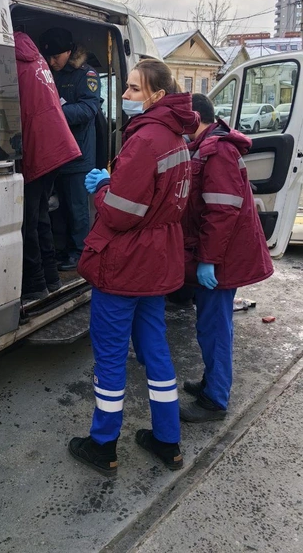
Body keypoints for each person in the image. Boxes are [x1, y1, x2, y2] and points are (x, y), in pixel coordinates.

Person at [68, 59, 199, 476]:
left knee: (110, 357)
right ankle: (167, 440)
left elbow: (122, 213)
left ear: (157, 96)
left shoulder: (146, 141)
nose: (124, 96)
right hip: (158, 260)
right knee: (156, 351)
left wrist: (103, 187)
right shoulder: (177, 137)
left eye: (133, 90)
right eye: (125, 88)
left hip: (126, 264)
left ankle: (103, 446)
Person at [180, 93, 274, 422]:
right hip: (221, 254)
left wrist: (207, 259)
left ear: (196, 117)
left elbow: (221, 212)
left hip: (222, 258)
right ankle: (211, 382)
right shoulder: (203, 147)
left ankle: (215, 400)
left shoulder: (216, 151)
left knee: (215, 327)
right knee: (212, 325)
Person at [14, 31, 81, 303]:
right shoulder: (35, 59)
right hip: (56, 145)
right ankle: (51, 278)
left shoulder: (13, 61)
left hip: (39, 148)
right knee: (40, 214)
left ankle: (35, 283)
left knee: (28, 219)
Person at [39, 27, 100, 271]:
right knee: (59, 205)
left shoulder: (85, 75)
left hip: (78, 154)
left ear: (68, 51)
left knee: (77, 207)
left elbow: (88, 109)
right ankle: (63, 248)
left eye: (56, 56)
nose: (52, 62)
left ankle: (79, 252)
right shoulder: (48, 73)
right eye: (49, 58)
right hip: (55, 153)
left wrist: (54, 114)